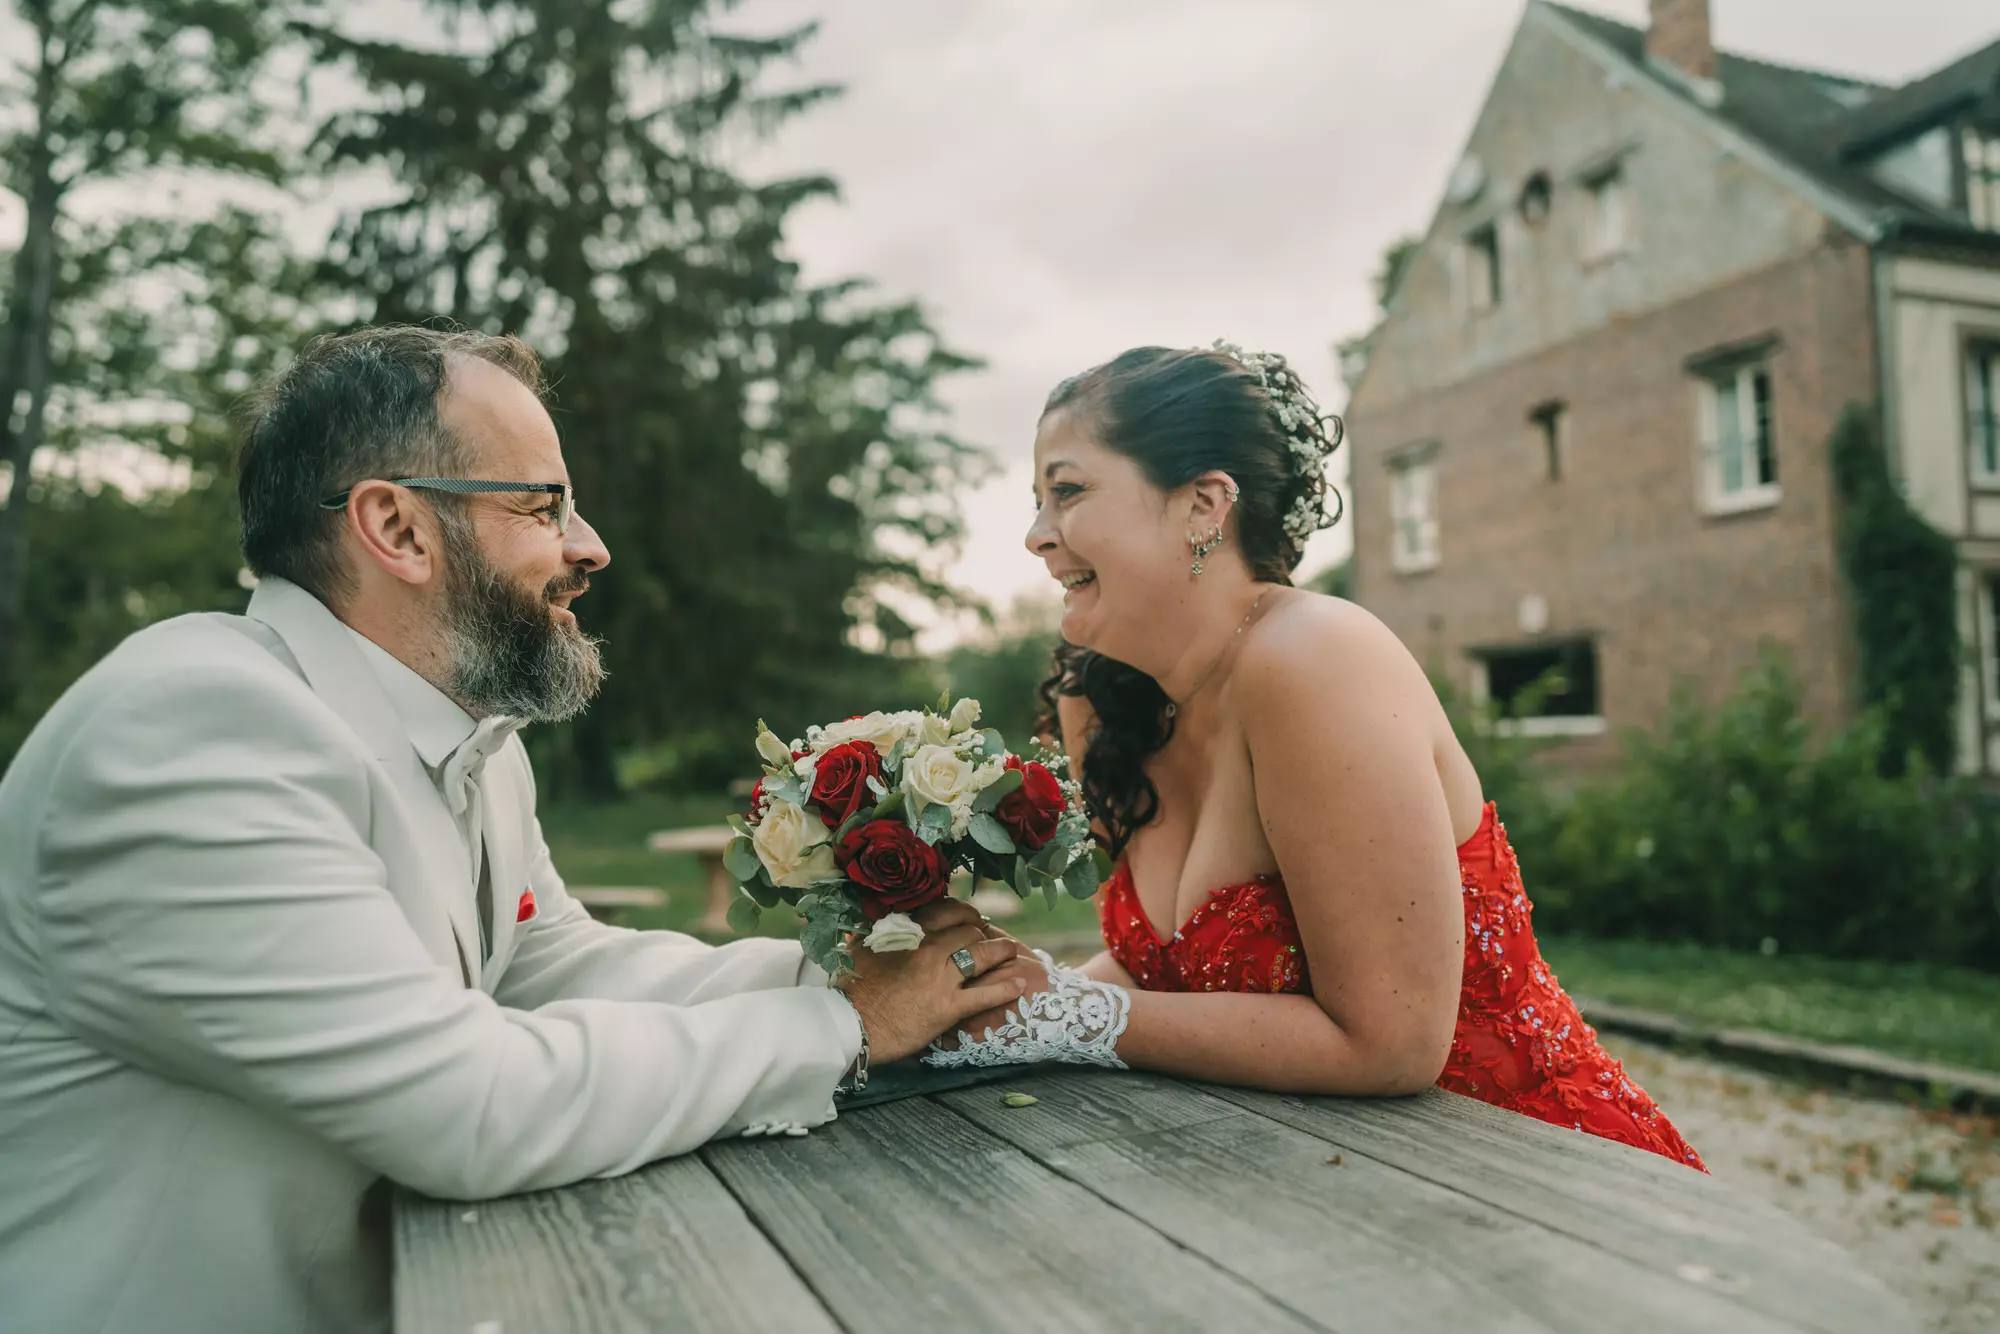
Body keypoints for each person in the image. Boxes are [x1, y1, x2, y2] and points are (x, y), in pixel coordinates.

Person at [0, 325, 1029, 1334]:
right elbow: (467, 1101)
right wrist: (843, 1031)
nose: (590, 546)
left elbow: (554, 961)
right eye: (544, 504)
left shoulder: (463, 737)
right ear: (396, 529)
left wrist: (854, 980)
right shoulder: (194, 734)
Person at [926, 343, 1704, 1172]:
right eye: (1038, 501)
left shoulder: (1316, 659)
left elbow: (1392, 1043)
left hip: (1528, 1174)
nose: (1037, 536)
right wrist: (992, 1001)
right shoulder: (1101, 699)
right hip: (1306, 1181)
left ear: (1203, 504)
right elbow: (1164, 966)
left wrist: (1063, 1015)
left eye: (1068, 491)